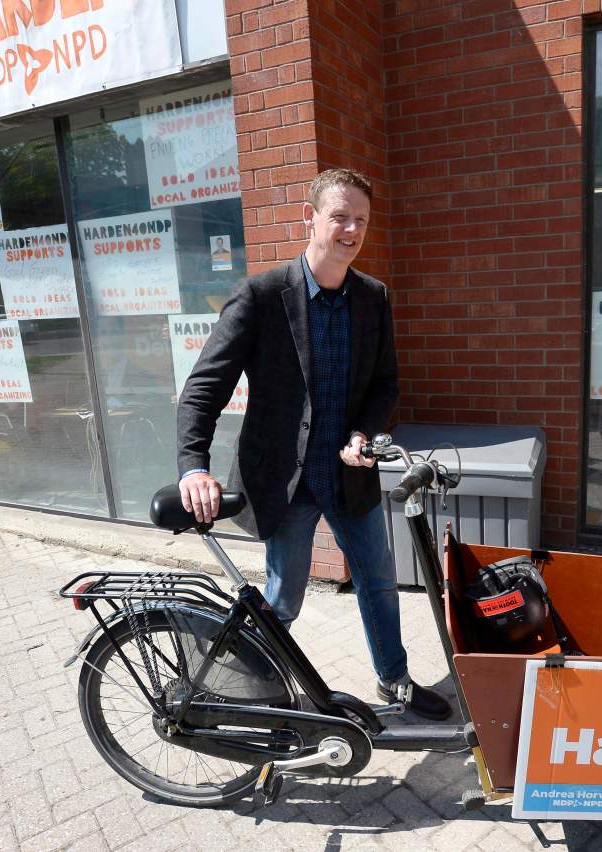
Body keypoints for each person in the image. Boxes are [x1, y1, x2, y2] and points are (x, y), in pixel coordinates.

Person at [175, 168, 451, 721]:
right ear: (310, 218)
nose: (351, 230)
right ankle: (239, 689)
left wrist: (362, 433)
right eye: (339, 216)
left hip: (349, 474)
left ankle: (394, 680)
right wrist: (192, 465)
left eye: (361, 220)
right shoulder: (260, 296)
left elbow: (385, 384)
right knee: (283, 598)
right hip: (286, 478)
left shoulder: (372, 297)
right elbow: (205, 384)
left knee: (378, 582)